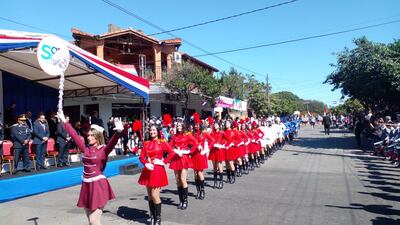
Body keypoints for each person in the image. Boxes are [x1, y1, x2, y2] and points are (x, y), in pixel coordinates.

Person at [58, 111, 125, 225]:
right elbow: (74, 135)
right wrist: (65, 122)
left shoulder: (104, 149)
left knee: (94, 221)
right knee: (90, 221)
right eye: (88, 135)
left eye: (92, 135)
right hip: (86, 185)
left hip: (98, 185)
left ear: (98, 136)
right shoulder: (85, 149)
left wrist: (118, 133)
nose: (89, 137)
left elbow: (112, 143)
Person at [138, 124, 175, 225]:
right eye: (150, 130)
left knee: (155, 195)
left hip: (157, 170)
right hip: (148, 170)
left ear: (158, 131)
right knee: (150, 195)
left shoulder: (162, 142)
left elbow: (172, 153)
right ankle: (153, 216)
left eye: (154, 130)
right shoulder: (146, 143)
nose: (152, 132)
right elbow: (141, 157)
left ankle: (158, 218)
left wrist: (164, 162)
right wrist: (146, 163)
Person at [169, 121, 198, 210]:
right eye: (177, 126)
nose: (179, 127)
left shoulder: (187, 135)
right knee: (178, 180)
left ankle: (185, 201)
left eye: (180, 125)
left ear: (183, 126)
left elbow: (196, 143)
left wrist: (188, 151)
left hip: (184, 158)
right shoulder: (174, 136)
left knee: (182, 179)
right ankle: (181, 200)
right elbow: (169, 146)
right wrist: (175, 150)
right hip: (176, 158)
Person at [191, 113, 213, 200]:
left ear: (200, 125)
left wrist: (206, 150)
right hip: (194, 155)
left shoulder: (204, 133)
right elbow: (189, 143)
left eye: (197, 125)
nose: (196, 126)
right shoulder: (193, 134)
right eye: (195, 125)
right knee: (195, 174)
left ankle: (202, 191)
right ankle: (198, 191)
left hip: (201, 155)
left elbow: (212, 141)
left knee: (200, 173)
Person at [207, 117, 226, 189]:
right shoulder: (211, 133)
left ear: (219, 126)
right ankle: (215, 181)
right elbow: (209, 141)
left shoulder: (222, 133)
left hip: (219, 151)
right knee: (214, 167)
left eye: (216, 125)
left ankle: (221, 181)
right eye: (214, 125)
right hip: (213, 151)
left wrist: (222, 144)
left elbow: (226, 140)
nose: (215, 126)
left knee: (219, 166)